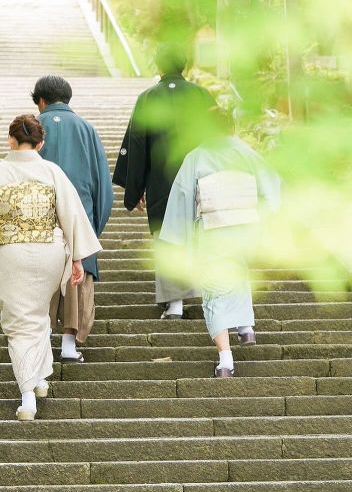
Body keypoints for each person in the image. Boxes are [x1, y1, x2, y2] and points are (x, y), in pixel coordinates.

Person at [0, 114, 101, 420]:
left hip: (12, 253)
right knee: (38, 315)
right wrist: (77, 258)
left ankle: (27, 397)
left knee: (20, 324)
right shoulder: (52, 171)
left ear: (10, 139)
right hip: (50, 250)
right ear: (41, 142)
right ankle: (39, 378)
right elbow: (71, 215)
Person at [159, 108, 281, 377]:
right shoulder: (246, 152)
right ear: (232, 127)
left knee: (214, 290)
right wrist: (263, 217)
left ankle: (226, 359)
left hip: (213, 231)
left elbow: (181, 196)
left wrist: (178, 238)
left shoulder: (197, 156)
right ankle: (246, 327)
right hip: (245, 229)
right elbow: (272, 185)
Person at [112, 44, 216, 319]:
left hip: (162, 181)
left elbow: (136, 144)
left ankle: (175, 305)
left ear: (158, 66)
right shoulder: (202, 95)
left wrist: (135, 189)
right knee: (202, 235)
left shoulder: (148, 98)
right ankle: (212, 300)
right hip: (200, 179)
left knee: (167, 237)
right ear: (184, 65)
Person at [32, 75, 113, 362]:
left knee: (41, 278)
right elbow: (103, 184)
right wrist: (94, 227)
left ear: (40, 100)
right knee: (77, 280)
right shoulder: (87, 129)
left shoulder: (33, 128)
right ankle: (69, 344)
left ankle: (38, 344)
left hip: (39, 218)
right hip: (81, 217)